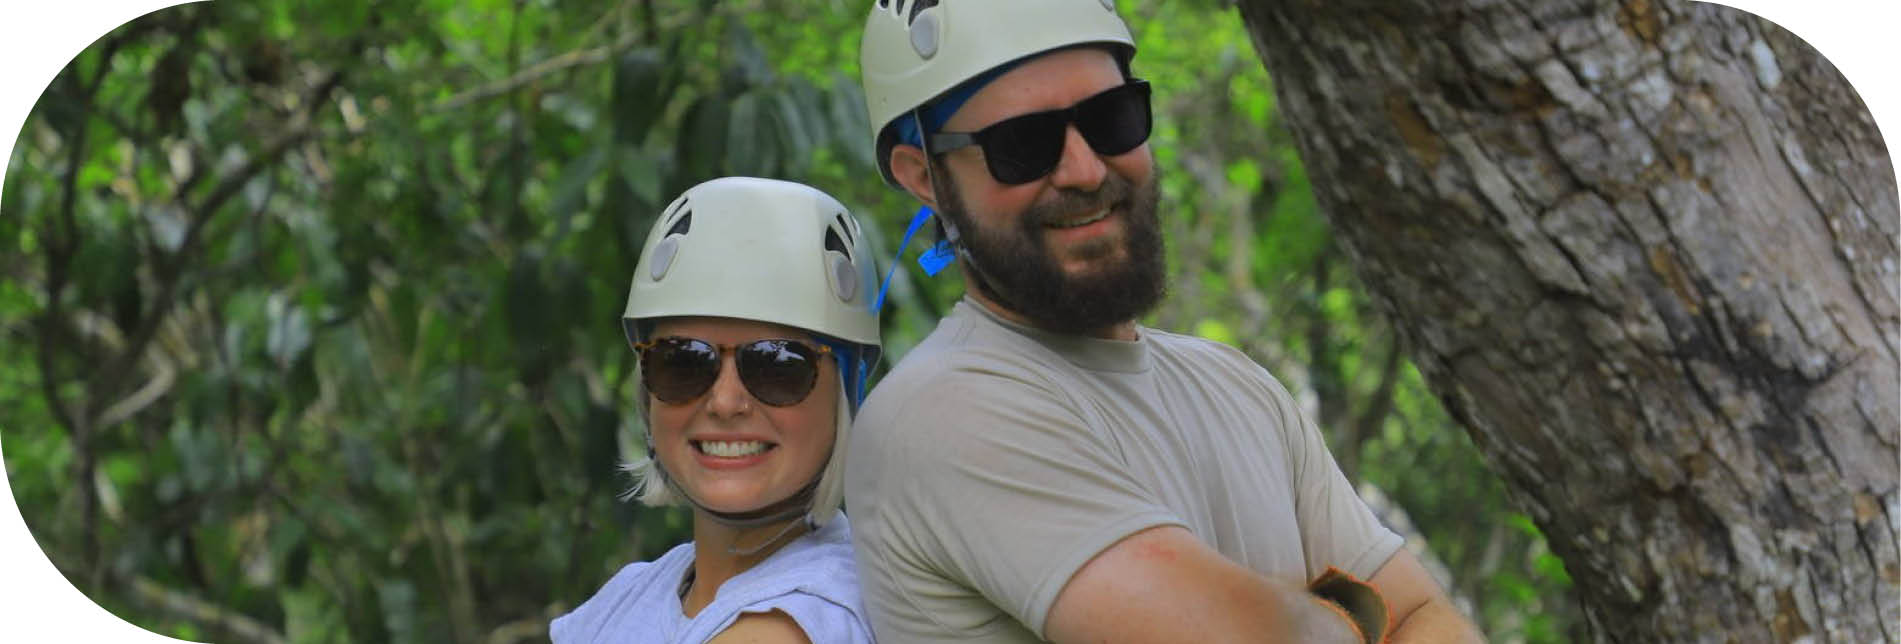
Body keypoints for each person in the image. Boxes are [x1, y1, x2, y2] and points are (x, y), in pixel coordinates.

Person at [844, 2, 1484, 642]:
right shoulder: (942, 411)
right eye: (1023, 145)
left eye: (1111, 119)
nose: (1086, 170)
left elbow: (1431, 619)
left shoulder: (1236, 384)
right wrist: (1359, 616)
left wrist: (1324, 622)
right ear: (924, 177)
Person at [552, 177, 883, 643]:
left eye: (778, 365)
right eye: (683, 361)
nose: (725, 403)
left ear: (846, 392)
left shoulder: (812, 614)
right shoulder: (639, 590)